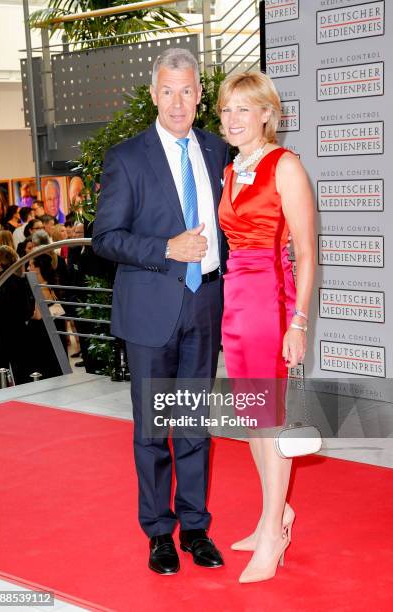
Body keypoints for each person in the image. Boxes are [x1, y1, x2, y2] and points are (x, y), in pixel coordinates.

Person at [92, 48, 229, 576]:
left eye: (186, 90)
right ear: (154, 94)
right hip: (151, 308)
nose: (177, 102)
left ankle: (195, 528)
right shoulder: (127, 157)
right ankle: (159, 533)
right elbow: (106, 238)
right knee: (153, 429)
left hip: (205, 304)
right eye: (167, 90)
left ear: (199, 96)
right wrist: (166, 248)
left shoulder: (217, 151)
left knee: (193, 424)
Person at [217, 72, 315, 583]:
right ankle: (271, 516)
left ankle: (274, 532)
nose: (232, 120)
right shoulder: (233, 169)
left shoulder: (285, 165)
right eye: (226, 111)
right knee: (253, 417)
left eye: (243, 110)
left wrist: (298, 321)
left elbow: (306, 251)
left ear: (265, 115)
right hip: (236, 303)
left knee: (269, 419)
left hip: (271, 306)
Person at [0, 246, 34, 385]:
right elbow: (27, 310)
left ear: (0, 262)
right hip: (19, 333)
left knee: (0, 376)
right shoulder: (21, 281)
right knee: (22, 374)